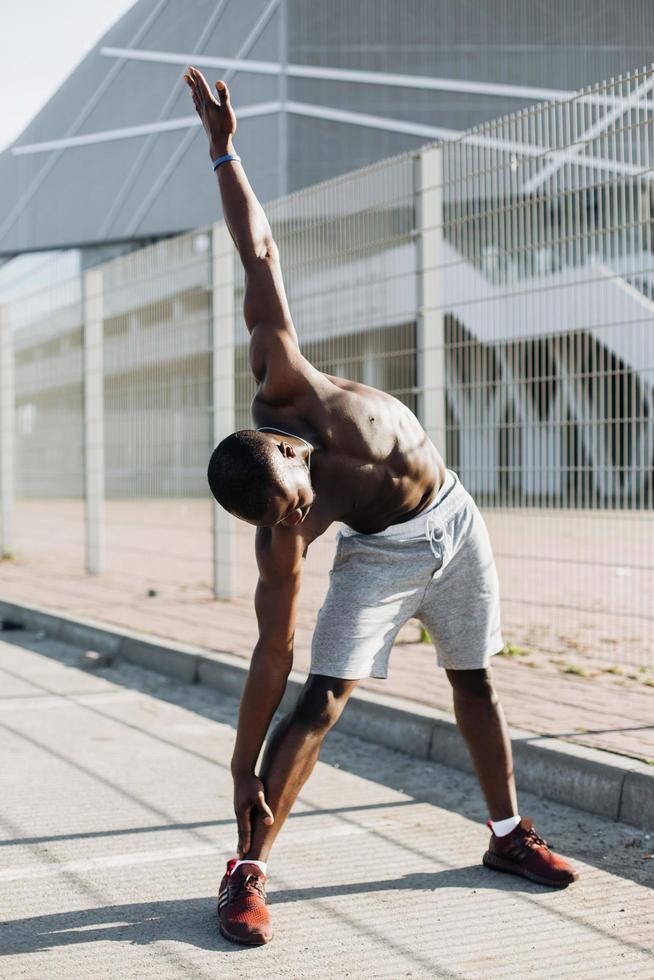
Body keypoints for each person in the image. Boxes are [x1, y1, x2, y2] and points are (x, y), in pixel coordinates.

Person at [184, 66, 579, 947]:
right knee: (321, 700)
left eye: (298, 498)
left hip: (457, 520)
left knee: (474, 679)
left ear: (292, 447)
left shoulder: (286, 380)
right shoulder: (285, 536)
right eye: (287, 518)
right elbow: (271, 652)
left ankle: (508, 836)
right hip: (382, 558)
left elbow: (259, 254)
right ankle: (246, 871)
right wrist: (242, 764)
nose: (300, 516)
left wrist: (223, 153)